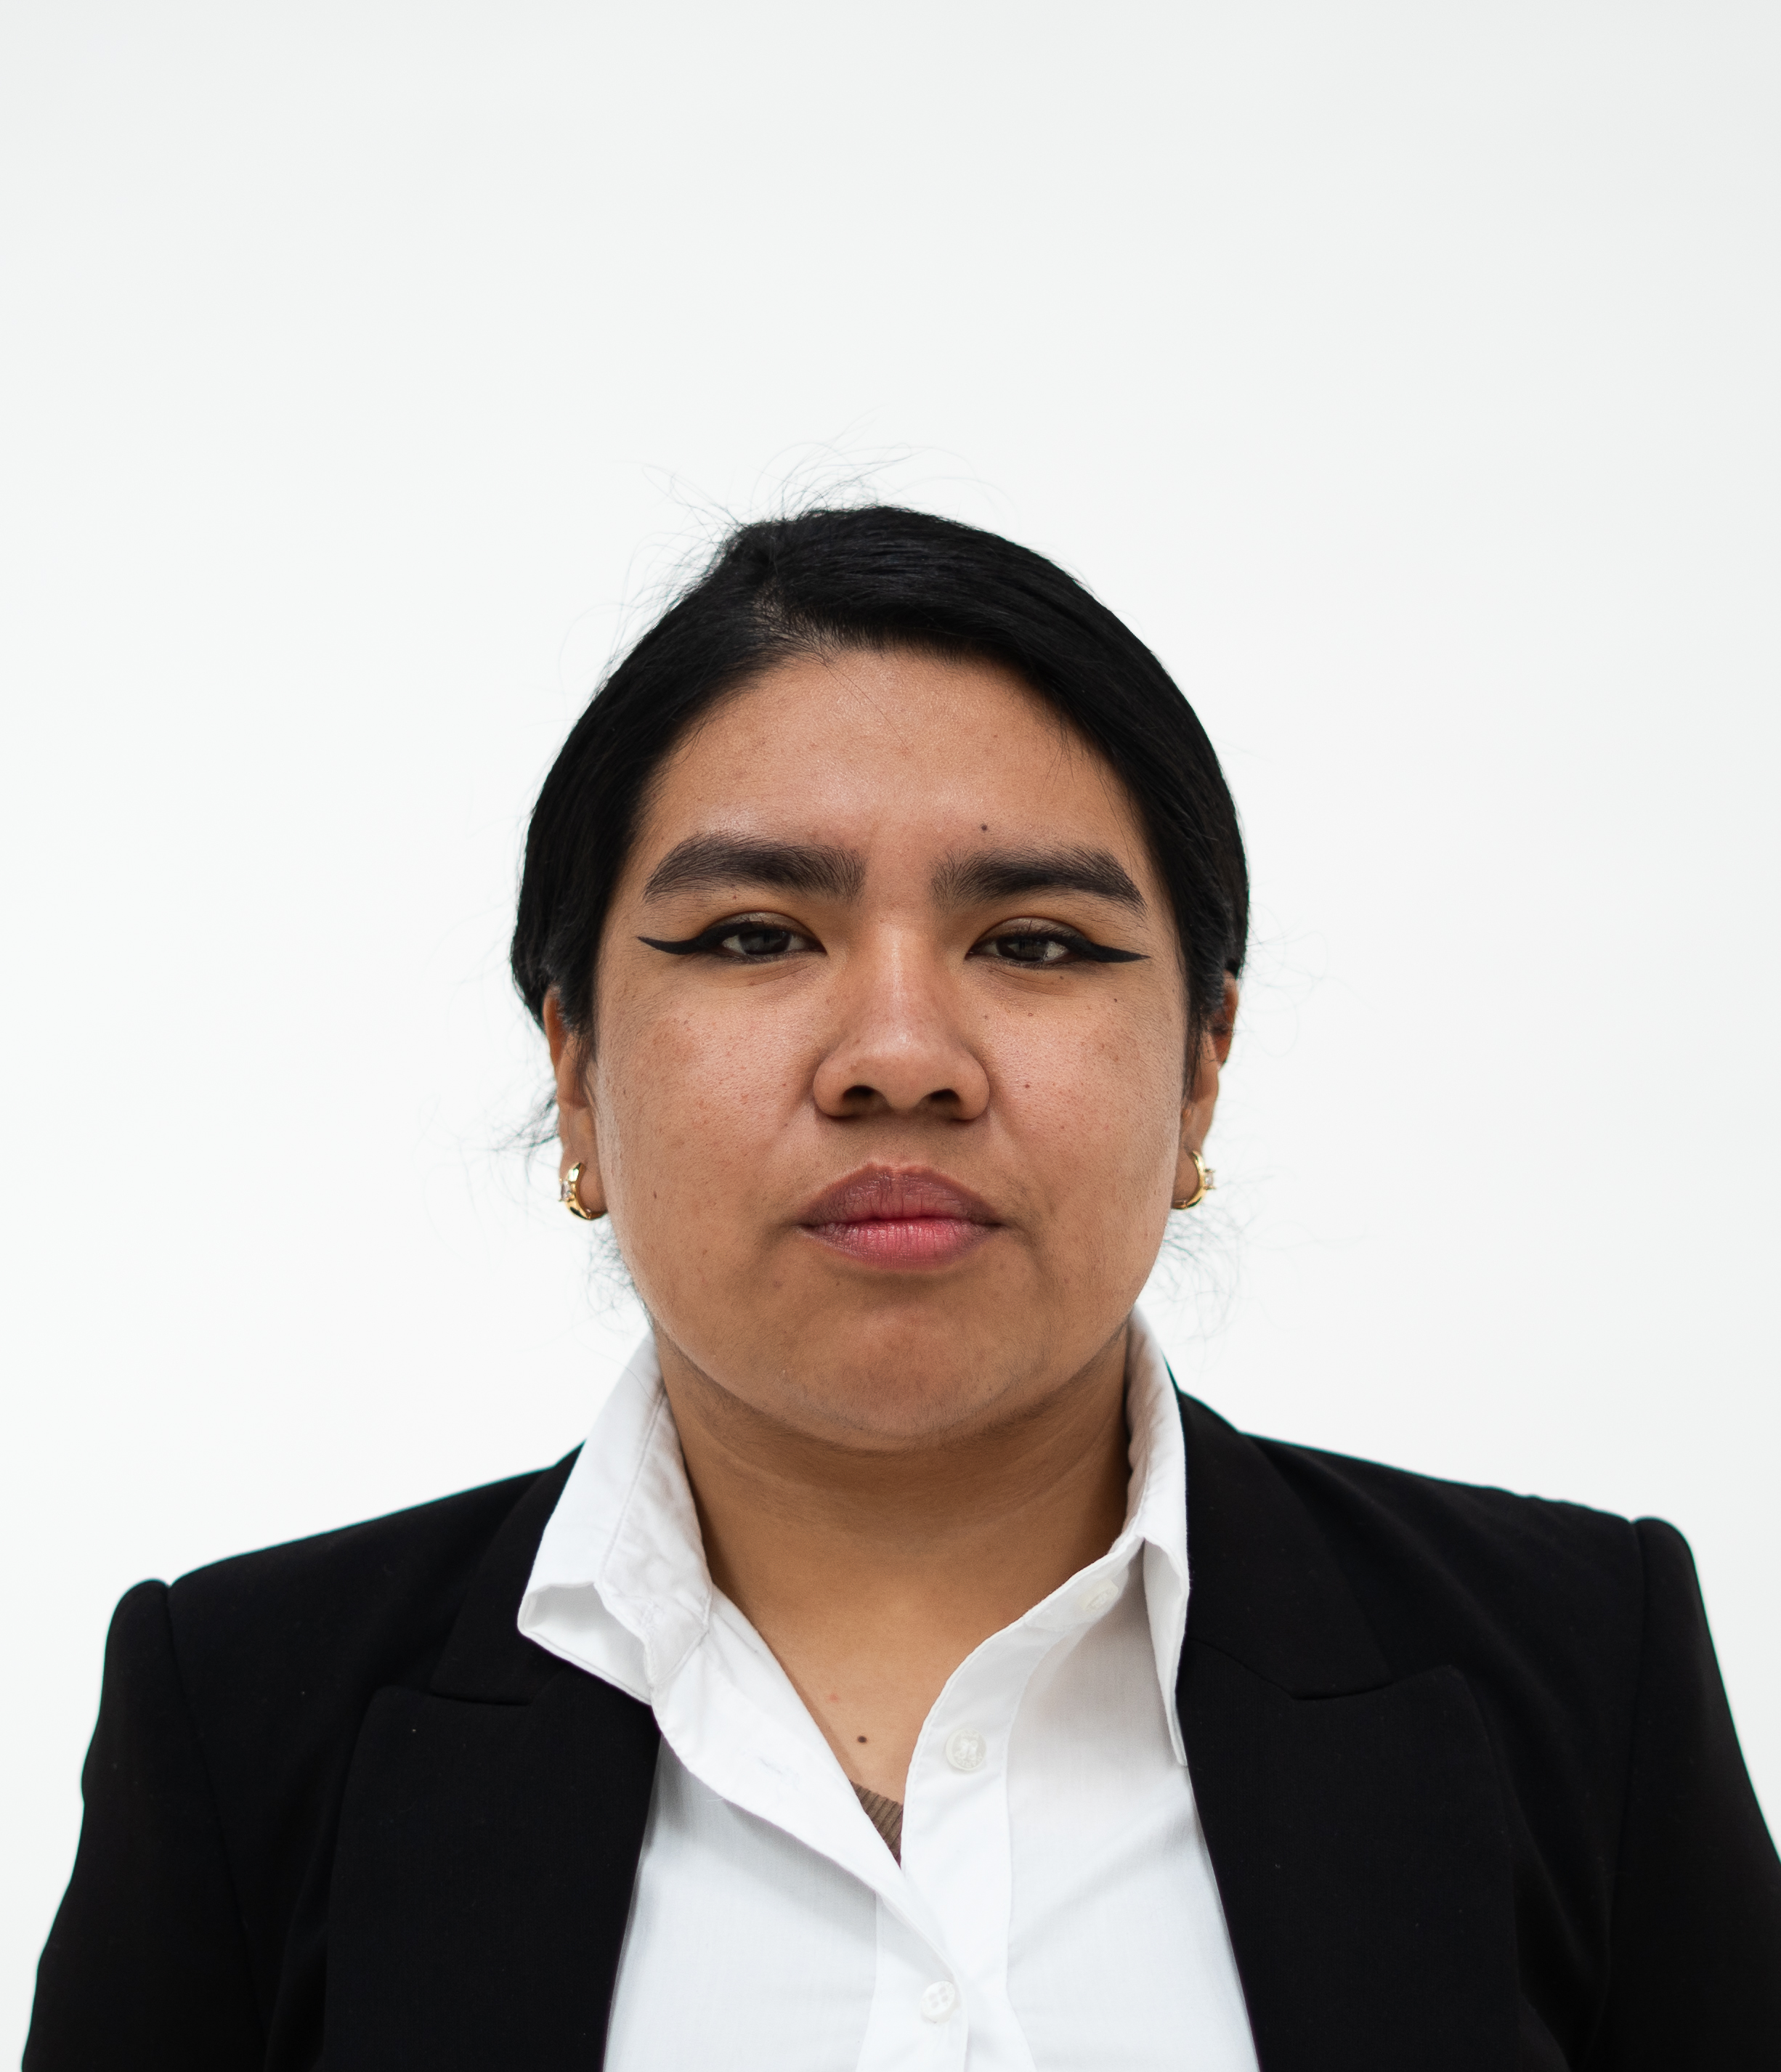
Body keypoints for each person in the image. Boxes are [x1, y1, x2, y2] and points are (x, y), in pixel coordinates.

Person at [25, 506, 1781, 2071]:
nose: (897, 1055)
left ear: (1197, 1072)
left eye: (1033, 942)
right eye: (752, 934)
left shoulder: (1573, 1673)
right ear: (576, 1071)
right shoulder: (245, 1718)